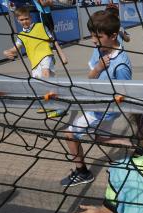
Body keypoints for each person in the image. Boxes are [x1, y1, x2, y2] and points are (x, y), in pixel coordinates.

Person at [56, 10, 132, 187]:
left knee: (69, 133)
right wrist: (97, 69)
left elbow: (124, 94)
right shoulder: (101, 48)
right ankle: (134, 145)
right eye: (92, 36)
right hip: (98, 105)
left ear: (113, 36)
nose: (93, 41)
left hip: (104, 110)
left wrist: (102, 103)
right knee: (98, 137)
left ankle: (82, 172)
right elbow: (91, 77)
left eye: (98, 37)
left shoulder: (121, 65)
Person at [3, 7, 68, 80]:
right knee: (45, 84)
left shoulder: (41, 26)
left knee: (45, 74)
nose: (24, 21)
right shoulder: (21, 36)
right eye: (22, 20)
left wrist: (62, 56)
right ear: (18, 20)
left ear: (30, 18)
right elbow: (15, 49)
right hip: (35, 63)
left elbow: (54, 41)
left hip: (46, 56)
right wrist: (6, 52)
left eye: (26, 18)